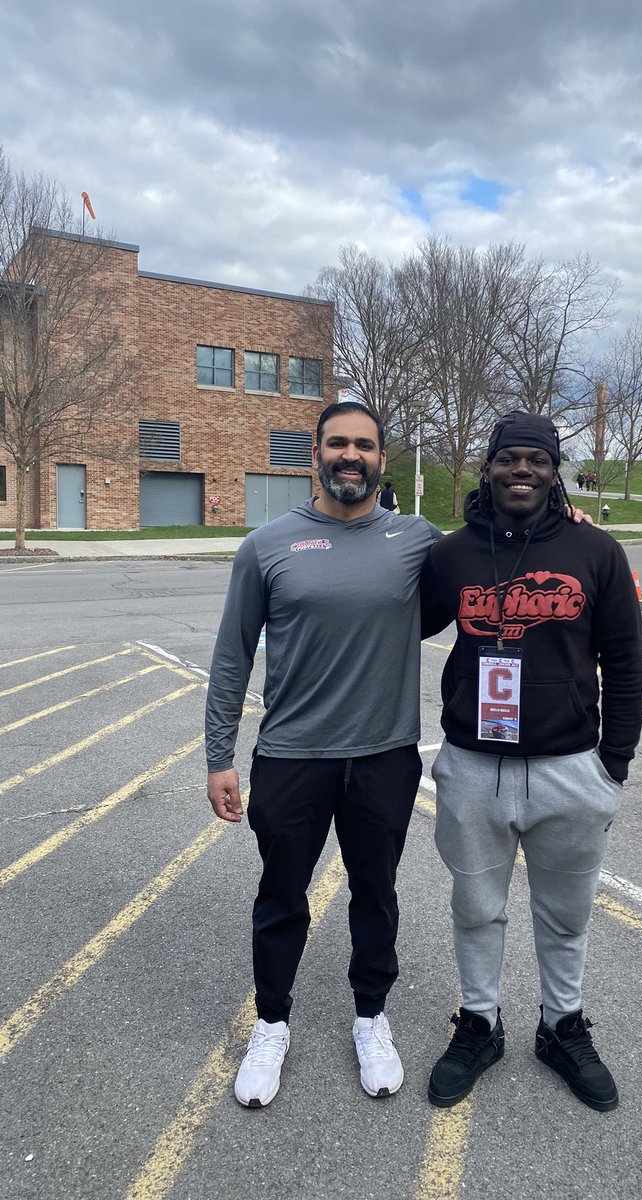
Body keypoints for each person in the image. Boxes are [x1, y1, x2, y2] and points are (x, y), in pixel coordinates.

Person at [205, 400, 441, 1108]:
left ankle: (371, 1017)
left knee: (376, 894)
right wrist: (220, 755)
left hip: (384, 757)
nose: (350, 455)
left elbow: (502, 556)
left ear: (380, 459)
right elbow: (231, 657)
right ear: (314, 454)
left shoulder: (419, 540)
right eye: (337, 443)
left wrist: (570, 520)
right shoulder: (267, 546)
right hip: (292, 757)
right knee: (282, 899)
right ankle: (271, 1024)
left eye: (363, 445)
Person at [420, 410, 642, 1113]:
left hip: (570, 769)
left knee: (565, 915)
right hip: (472, 767)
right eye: (509, 459)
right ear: (486, 468)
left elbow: (626, 662)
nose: (522, 470)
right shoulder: (451, 554)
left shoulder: (596, 551)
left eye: (537, 460)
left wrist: (614, 764)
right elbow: (391, 622)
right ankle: (480, 1025)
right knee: (476, 908)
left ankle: (561, 1027)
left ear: (555, 471)